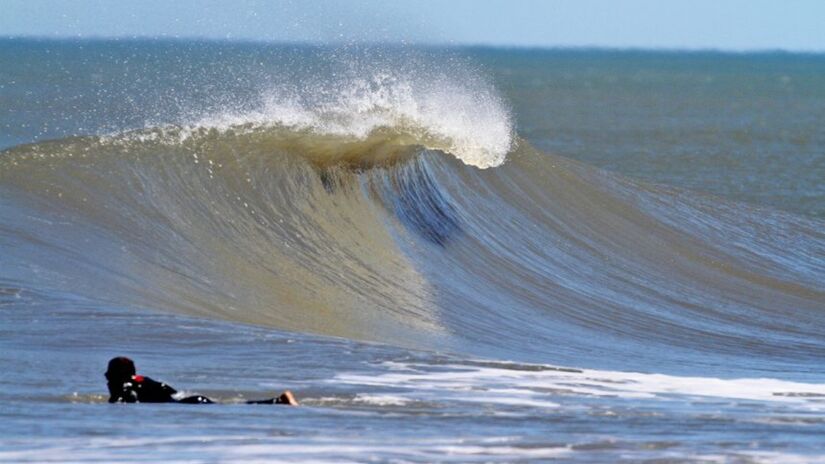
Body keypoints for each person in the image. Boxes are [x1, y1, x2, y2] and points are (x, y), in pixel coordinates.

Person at [105, 356, 298, 405]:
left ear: (119, 375)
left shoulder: (128, 385)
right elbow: (171, 391)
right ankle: (278, 401)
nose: (106, 377)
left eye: (109, 374)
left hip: (191, 403)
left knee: (237, 407)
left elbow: (124, 400)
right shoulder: (143, 380)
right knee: (235, 406)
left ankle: (279, 401)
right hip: (192, 401)